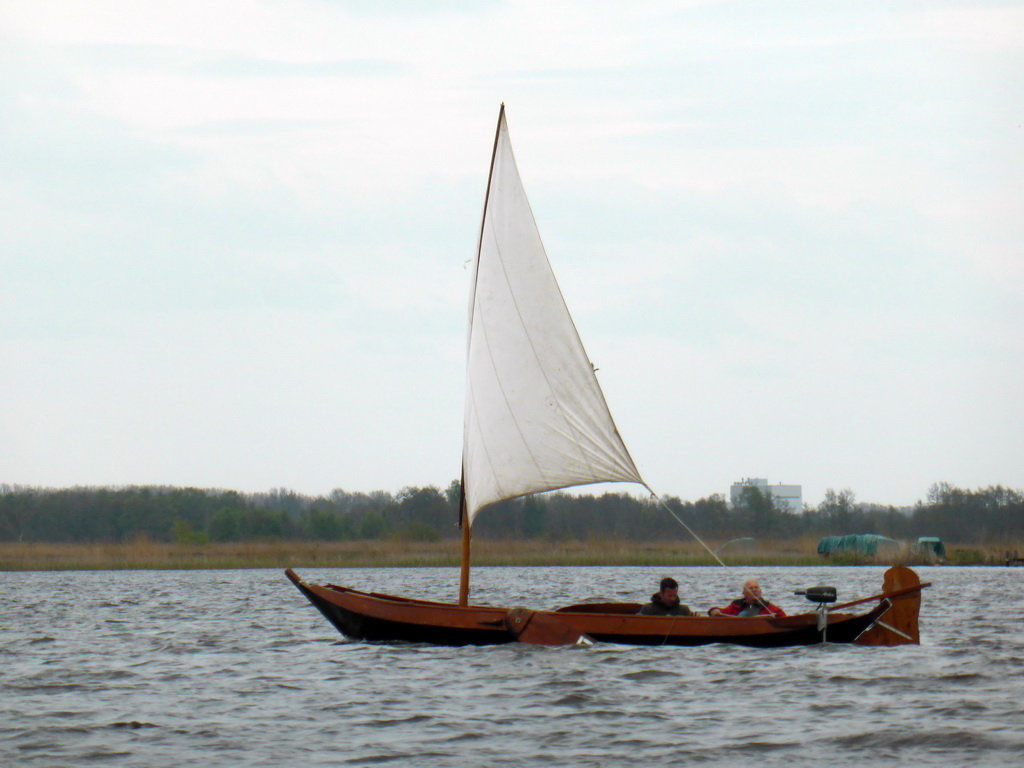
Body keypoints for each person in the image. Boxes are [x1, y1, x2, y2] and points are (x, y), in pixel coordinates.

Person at [708, 578, 786, 617]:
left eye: (756, 588)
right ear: (744, 593)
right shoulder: (736, 605)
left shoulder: (768, 607)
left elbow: (783, 618)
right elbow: (722, 613)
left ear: (760, 591)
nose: (754, 590)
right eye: (751, 588)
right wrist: (714, 611)